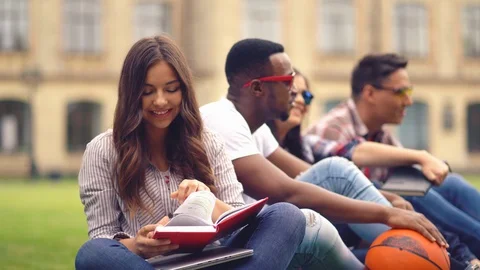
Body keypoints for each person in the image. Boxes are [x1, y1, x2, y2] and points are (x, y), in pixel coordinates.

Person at [200, 38, 447, 269]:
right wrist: (387, 213)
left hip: (270, 229)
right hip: (243, 243)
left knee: (340, 176)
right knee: (333, 177)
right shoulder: (222, 120)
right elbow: (287, 191)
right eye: (287, 82)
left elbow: (307, 174)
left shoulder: (253, 126)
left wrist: (381, 196)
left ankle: (443, 260)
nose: (295, 92)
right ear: (256, 88)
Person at [74, 35, 306, 270]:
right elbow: (103, 237)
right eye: (147, 92)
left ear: (184, 90)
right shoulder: (103, 150)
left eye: (171, 89)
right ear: (131, 94)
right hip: (147, 265)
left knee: (287, 216)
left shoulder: (207, 141)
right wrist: (138, 245)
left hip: (214, 260)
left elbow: (237, 218)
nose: (161, 101)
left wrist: (207, 198)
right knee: (91, 253)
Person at [267, 69, 480, 267]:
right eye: (293, 92)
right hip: (318, 227)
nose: (300, 101)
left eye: (307, 96)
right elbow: (350, 153)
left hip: (346, 221)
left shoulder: (304, 144)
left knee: (442, 184)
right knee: (404, 192)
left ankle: (462, 254)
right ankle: (461, 258)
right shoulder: (326, 128)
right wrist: (386, 208)